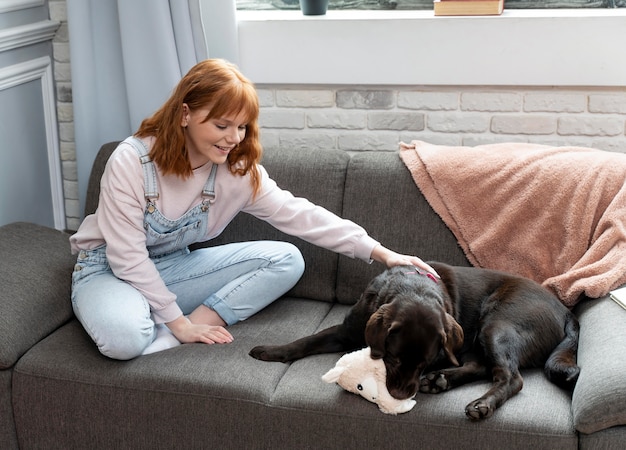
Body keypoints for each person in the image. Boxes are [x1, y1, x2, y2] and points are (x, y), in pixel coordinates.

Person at [70, 58, 437, 360]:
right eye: (221, 124)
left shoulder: (235, 171)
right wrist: (177, 320)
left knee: (286, 258)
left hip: (171, 269)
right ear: (185, 114)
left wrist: (384, 254)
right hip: (109, 270)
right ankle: (164, 323)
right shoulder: (131, 161)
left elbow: (300, 214)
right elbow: (127, 256)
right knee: (124, 341)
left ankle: (181, 329)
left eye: (242, 126)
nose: (234, 138)